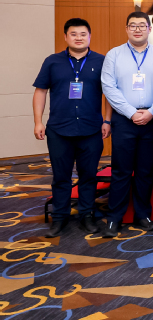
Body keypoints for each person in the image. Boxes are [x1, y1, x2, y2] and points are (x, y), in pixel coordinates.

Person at [33, 18, 110, 237]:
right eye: (73, 34)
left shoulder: (101, 61)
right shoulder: (52, 61)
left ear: (90, 36)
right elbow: (40, 91)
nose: (78, 38)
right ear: (66, 37)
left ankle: (87, 215)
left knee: (88, 176)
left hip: (91, 129)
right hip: (59, 130)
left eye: (83, 34)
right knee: (61, 177)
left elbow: (109, 94)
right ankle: (59, 218)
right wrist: (38, 121)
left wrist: (107, 121)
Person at [100, 11, 153, 238]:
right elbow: (108, 87)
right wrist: (131, 113)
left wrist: (150, 113)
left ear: (149, 29)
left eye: (142, 25)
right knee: (121, 170)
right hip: (124, 119)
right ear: (126, 29)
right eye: (133, 25)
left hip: (152, 119)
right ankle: (114, 217)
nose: (137, 29)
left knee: (145, 171)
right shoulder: (114, 54)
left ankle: (143, 215)